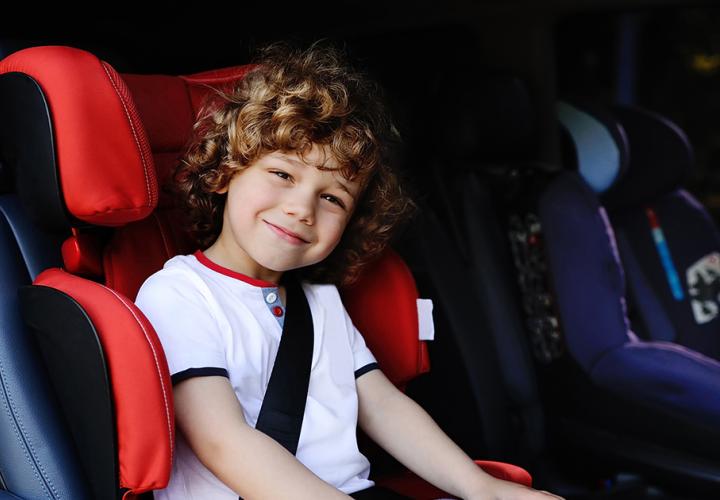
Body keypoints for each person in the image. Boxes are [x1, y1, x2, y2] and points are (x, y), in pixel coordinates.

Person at [135, 41, 563, 500]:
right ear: (225, 172)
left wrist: (482, 488)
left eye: (333, 197)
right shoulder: (179, 293)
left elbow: (382, 406)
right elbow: (224, 441)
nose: (302, 208)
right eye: (283, 174)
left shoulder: (319, 301)